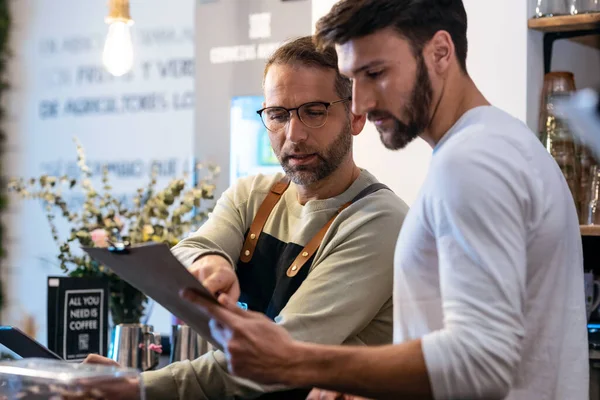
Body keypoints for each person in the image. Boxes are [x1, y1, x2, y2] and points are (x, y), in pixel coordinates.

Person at [180, 1, 589, 399]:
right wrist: (365, 381)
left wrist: (296, 361)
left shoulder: (471, 163)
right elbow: (478, 350)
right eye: (354, 79)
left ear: (440, 52)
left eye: (375, 73)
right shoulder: (499, 143)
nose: (360, 104)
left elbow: (479, 365)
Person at [85, 35, 409, 400]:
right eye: (278, 114)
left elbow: (273, 359)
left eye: (314, 112)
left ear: (355, 116)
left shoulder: (380, 221)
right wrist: (210, 261)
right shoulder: (253, 195)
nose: (294, 134)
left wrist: (138, 388)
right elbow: (191, 249)